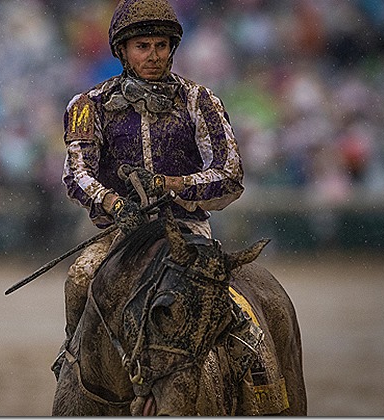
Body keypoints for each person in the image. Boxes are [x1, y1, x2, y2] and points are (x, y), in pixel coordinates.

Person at [54, 0, 247, 379]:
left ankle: (258, 380)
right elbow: (76, 173)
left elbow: (231, 173)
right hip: (120, 236)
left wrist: (172, 185)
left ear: (172, 48)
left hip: (189, 234)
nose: (154, 56)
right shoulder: (87, 105)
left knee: (238, 315)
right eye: (143, 46)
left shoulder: (200, 101)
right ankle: (72, 362)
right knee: (79, 278)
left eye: (161, 46)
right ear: (123, 51)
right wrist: (113, 202)